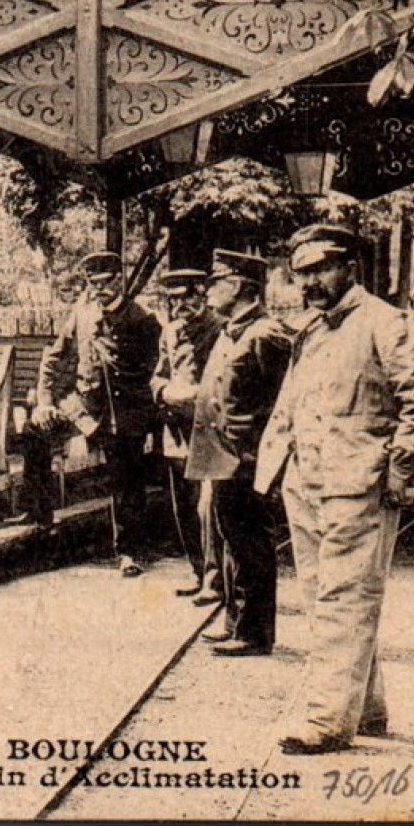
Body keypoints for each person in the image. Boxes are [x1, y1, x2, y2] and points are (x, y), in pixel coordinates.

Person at [256, 223, 414, 754]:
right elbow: (290, 407)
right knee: (326, 601)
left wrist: (398, 471)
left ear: (348, 267)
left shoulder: (385, 324)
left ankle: (325, 722)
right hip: (308, 486)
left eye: (321, 269)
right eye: (302, 274)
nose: (310, 282)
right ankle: (366, 708)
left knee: (343, 599)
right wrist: (274, 473)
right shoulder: (311, 331)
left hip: (358, 486)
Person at [25, 251, 162, 576]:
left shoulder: (142, 319)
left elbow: (154, 368)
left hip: (124, 410)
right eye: (93, 284)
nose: (99, 290)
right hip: (84, 406)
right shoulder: (81, 314)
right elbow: (54, 358)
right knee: (33, 432)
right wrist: (45, 400)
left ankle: (129, 551)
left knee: (126, 478)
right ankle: (40, 524)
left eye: (106, 283)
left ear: (120, 280)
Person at [184, 250, 292, 657]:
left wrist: (260, 456)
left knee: (251, 544)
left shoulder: (266, 334)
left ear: (241, 286)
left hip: (245, 459)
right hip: (223, 456)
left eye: (218, 281)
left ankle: (254, 633)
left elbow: (282, 399)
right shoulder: (233, 332)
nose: (209, 289)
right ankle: (235, 621)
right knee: (232, 541)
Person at [151, 269, 226, 602]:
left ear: (202, 295)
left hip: (209, 428)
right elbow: (158, 374)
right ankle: (199, 571)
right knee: (184, 505)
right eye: (174, 299)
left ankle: (216, 578)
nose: (180, 304)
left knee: (208, 506)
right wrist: (165, 391)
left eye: (187, 297)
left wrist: (196, 392)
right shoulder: (169, 331)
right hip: (177, 431)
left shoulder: (220, 328)